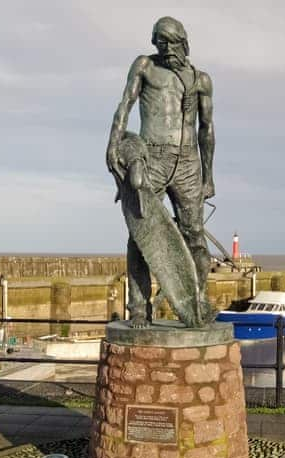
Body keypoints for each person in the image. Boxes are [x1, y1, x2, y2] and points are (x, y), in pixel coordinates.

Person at [106, 16, 215, 327]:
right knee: (140, 235)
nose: (164, 48)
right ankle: (139, 308)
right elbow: (124, 105)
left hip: (188, 162)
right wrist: (114, 143)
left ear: (184, 42)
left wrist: (208, 176)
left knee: (195, 236)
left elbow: (207, 130)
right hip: (152, 156)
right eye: (159, 41)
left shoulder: (201, 80)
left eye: (170, 41)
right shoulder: (144, 66)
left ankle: (197, 303)